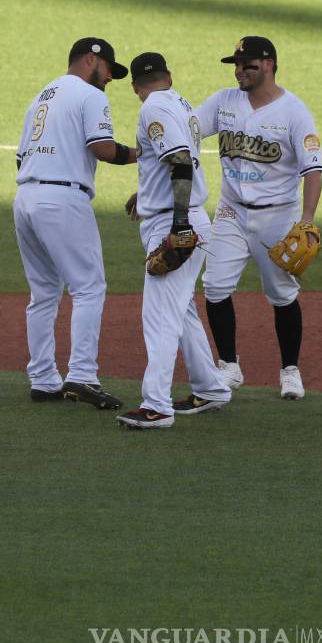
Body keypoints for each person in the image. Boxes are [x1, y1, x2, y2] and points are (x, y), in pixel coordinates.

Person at [196, 36, 322, 400]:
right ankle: (228, 366)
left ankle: (290, 371)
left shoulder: (294, 112)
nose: (239, 71)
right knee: (215, 287)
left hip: (277, 216)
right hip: (231, 211)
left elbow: (313, 170)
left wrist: (307, 220)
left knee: (282, 294)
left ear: (268, 65)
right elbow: (188, 130)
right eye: (236, 65)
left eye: (247, 65)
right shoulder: (224, 102)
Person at [13, 38, 138, 410]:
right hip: (62, 199)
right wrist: (142, 153)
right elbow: (102, 148)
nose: (110, 79)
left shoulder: (42, 95)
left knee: (43, 292)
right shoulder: (89, 95)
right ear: (91, 60)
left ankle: (43, 379)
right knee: (89, 287)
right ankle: (82, 376)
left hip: (26, 197)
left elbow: (20, 157)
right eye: (109, 70)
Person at [115, 53, 231, 429]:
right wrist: (147, 192)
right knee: (181, 312)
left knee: (160, 317)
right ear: (169, 77)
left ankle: (157, 406)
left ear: (135, 86)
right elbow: (172, 161)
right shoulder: (180, 104)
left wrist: (179, 223)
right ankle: (210, 388)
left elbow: (180, 161)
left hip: (176, 221)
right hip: (183, 215)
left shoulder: (152, 107)